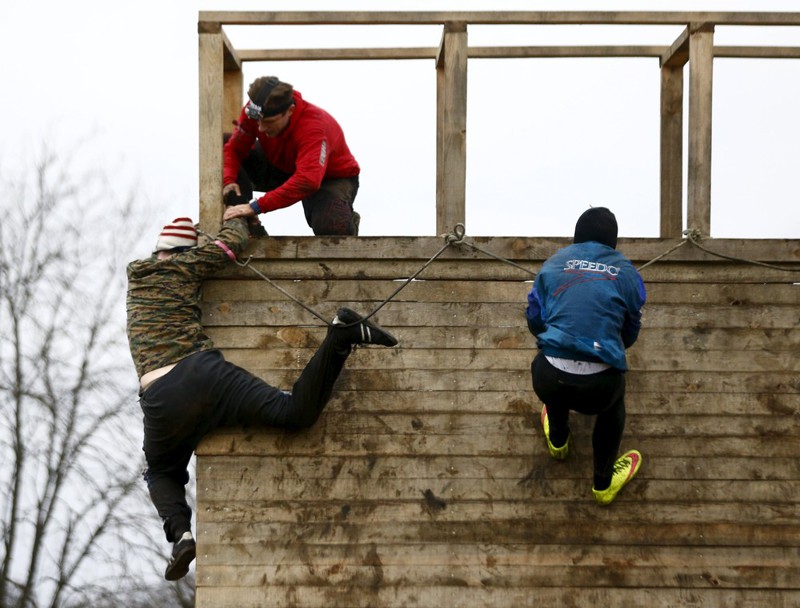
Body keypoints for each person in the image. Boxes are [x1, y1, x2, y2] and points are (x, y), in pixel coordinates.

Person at [126, 217, 397, 581]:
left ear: (157, 251)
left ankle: (182, 537)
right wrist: (239, 217)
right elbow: (227, 247)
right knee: (293, 413)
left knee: (161, 471)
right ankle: (341, 336)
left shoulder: (138, 281)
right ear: (180, 252)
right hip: (202, 375)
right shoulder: (184, 265)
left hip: (159, 397)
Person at [525, 207, 647, 506]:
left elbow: (534, 318)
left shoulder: (552, 264)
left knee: (553, 377)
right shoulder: (629, 273)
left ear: (576, 237)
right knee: (614, 404)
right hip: (599, 390)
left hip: (549, 378)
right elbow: (630, 332)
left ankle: (558, 441)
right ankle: (603, 485)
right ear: (613, 243)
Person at [221, 76, 361, 236]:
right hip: (283, 166)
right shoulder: (255, 110)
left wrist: (256, 206)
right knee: (223, 146)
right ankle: (246, 223)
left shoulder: (313, 127)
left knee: (331, 227)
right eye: (258, 121)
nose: (260, 128)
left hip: (327, 177)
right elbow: (233, 149)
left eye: (269, 122)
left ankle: (346, 218)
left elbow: (307, 181)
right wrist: (229, 180)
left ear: (290, 111)